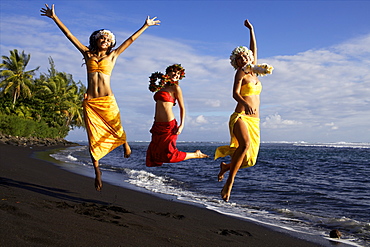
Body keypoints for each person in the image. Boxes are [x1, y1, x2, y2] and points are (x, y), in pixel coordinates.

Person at [40, 4, 160, 191]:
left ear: (111, 43)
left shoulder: (113, 56)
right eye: (101, 37)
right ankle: (97, 172)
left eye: (107, 39)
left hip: (107, 98)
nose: (104, 40)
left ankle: (124, 144)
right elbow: (70, 36)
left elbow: (130, 40)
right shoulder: (87, 54)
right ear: (96, 40)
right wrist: (54, 18)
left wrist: (145, 25)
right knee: (92, 137)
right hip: (91, 102)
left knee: (116, 123)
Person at [214, 19, 273, 202]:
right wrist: (245, 103)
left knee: (250, 159)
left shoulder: (254, 72)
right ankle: (229, 183)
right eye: (238, 58)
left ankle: (226, 167)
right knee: (244, 145)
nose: (242, 59)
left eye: (244, 56)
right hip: (240, 116)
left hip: (254, 121)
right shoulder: (240, 73)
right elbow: (234, 93)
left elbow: (253, 48)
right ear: (236, 62)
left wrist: (252, 30)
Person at [146, 64, 208, 167]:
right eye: (174, 72)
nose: (176, 74)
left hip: (168, 125)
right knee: (154, 153)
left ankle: (195, 154)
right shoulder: (161, 87)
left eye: (179, 73)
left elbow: (182, 108)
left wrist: (182, 125)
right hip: (157, 125)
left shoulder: (176, 88)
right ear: (168, 72)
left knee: (170, 155)